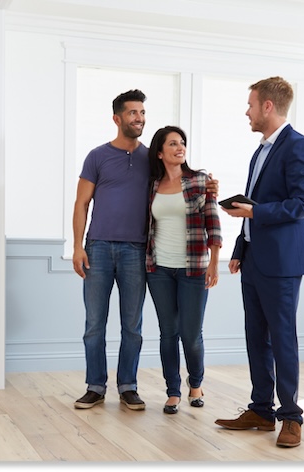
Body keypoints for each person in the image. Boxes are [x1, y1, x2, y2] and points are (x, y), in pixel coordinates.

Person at [72, 89, 220, 411]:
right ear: (117, 118)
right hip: (97, 247)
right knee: (94, 323)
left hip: (137, 251)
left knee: (132, 325)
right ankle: (95, 386)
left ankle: (128, 386)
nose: (139, 118)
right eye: (132, 113)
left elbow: (182, 183)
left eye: (142, 112)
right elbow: (82, 203)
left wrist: (209, 185)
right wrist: (77, 246)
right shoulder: (97, 156)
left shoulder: (151, 159)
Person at [214, 77, 304, 448]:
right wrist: (241, 248)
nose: (247, 111)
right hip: (254, 259)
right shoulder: (260, 151)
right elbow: (254, 206)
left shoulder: (300, 147)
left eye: (251, 104)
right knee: (256, 338)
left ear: (268, 107)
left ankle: (291, 417)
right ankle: (261, 409)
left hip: (282, 263)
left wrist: (255, 214)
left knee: (282, 339)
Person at [146, 126, 222, 415]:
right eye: (173, 144)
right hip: (159, 269)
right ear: (160, 152)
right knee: (168, 332)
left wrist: (214, 262)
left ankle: (197, 384)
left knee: (191, 335)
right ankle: (173, 391)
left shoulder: (200, 182)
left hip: (193, 269)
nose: (180, 148)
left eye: (183, 143)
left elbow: (213, 224)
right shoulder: (151, 185)